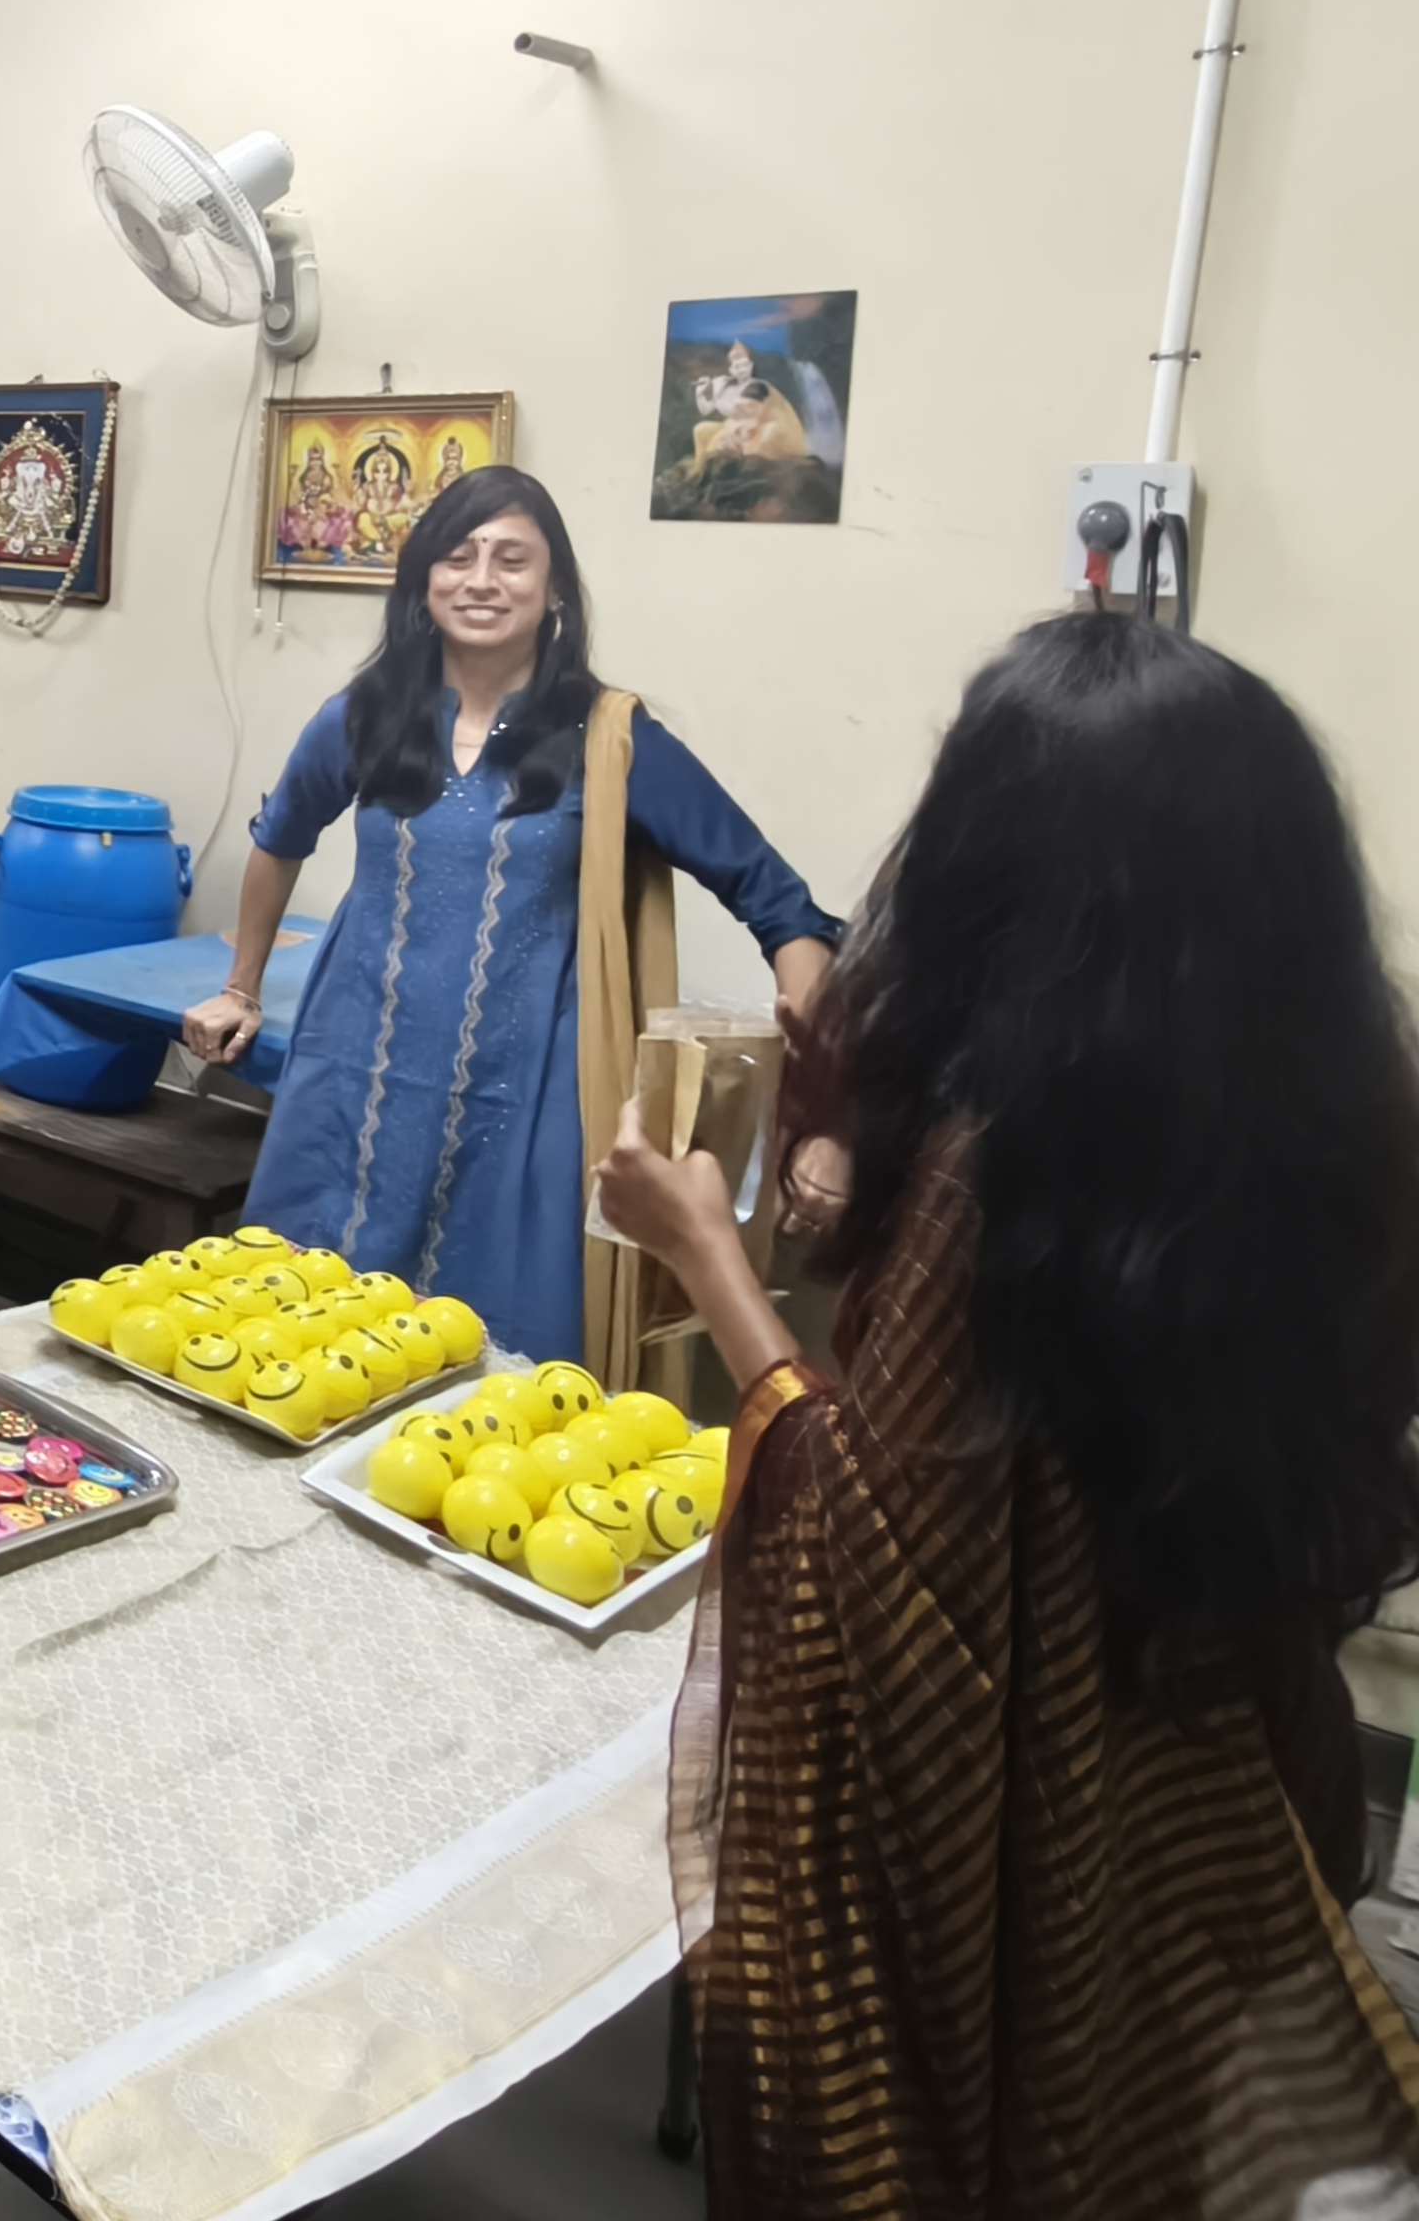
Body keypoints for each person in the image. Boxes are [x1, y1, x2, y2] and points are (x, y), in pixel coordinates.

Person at [601, 614, 1419, 2214]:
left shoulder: (1003, 1179)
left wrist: (705, 1253)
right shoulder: (1333, 1132)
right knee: (1144, 2138)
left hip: (1037, 1841)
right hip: (1236, 1776)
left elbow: (873, 1565)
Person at [180, 466, 837, 1365]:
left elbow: (780, 903)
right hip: (353, 1072)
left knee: (490, 1372)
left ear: (554, 587)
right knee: (292, 1346)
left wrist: (823, 1108)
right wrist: (241, 988)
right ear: (422, 581)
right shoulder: (366, 716)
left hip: (524, 1098)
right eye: (457, 556)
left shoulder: (612, 740)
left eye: (511, 559)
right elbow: (280, 836)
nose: (481, 580)